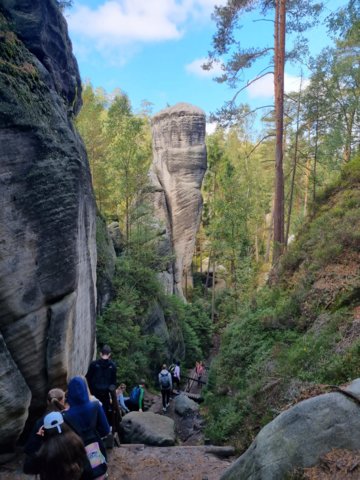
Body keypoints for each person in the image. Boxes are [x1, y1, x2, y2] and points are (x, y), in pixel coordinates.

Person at [23, 411, 92, 480]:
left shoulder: (45, 452)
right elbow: (86, 466)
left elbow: (27, 468)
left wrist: (37, 438)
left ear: (46, 431)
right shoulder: (77, 441)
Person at [24, 388, 66, 471]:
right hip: (64, 457)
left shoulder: (40, 422)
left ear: (47, 401)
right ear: (62, 401)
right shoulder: (65, 417)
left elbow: (31, 447)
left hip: (47, 459)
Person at [86, 345, 117, 421]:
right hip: (105, 394)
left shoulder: (93, 364)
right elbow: (113, 383)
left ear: (100, 353)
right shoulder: (113, 366)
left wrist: (89, 392)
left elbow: (87, 378)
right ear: (109, 354)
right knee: (104, 413)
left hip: (93, 394)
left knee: (92, 412)